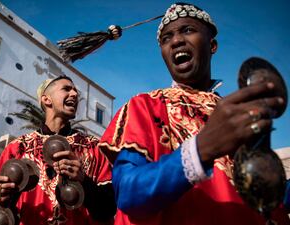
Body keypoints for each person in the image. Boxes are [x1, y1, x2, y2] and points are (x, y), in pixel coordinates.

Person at [98, 2, 289, 225]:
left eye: (188, 30)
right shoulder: (145, 106)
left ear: (212, 45)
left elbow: (268, 200)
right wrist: (201, 149)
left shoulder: (236, 114)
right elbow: (129, 193)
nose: (176, 40)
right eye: (166, 38)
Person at [0, 75, 116, 225]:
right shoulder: (18, 148)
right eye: (66, 89)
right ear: (46, 99)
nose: (75, 94)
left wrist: (84, 180)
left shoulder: (93, 147)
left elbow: (109, 209)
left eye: (76, 91)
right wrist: (4, 199)